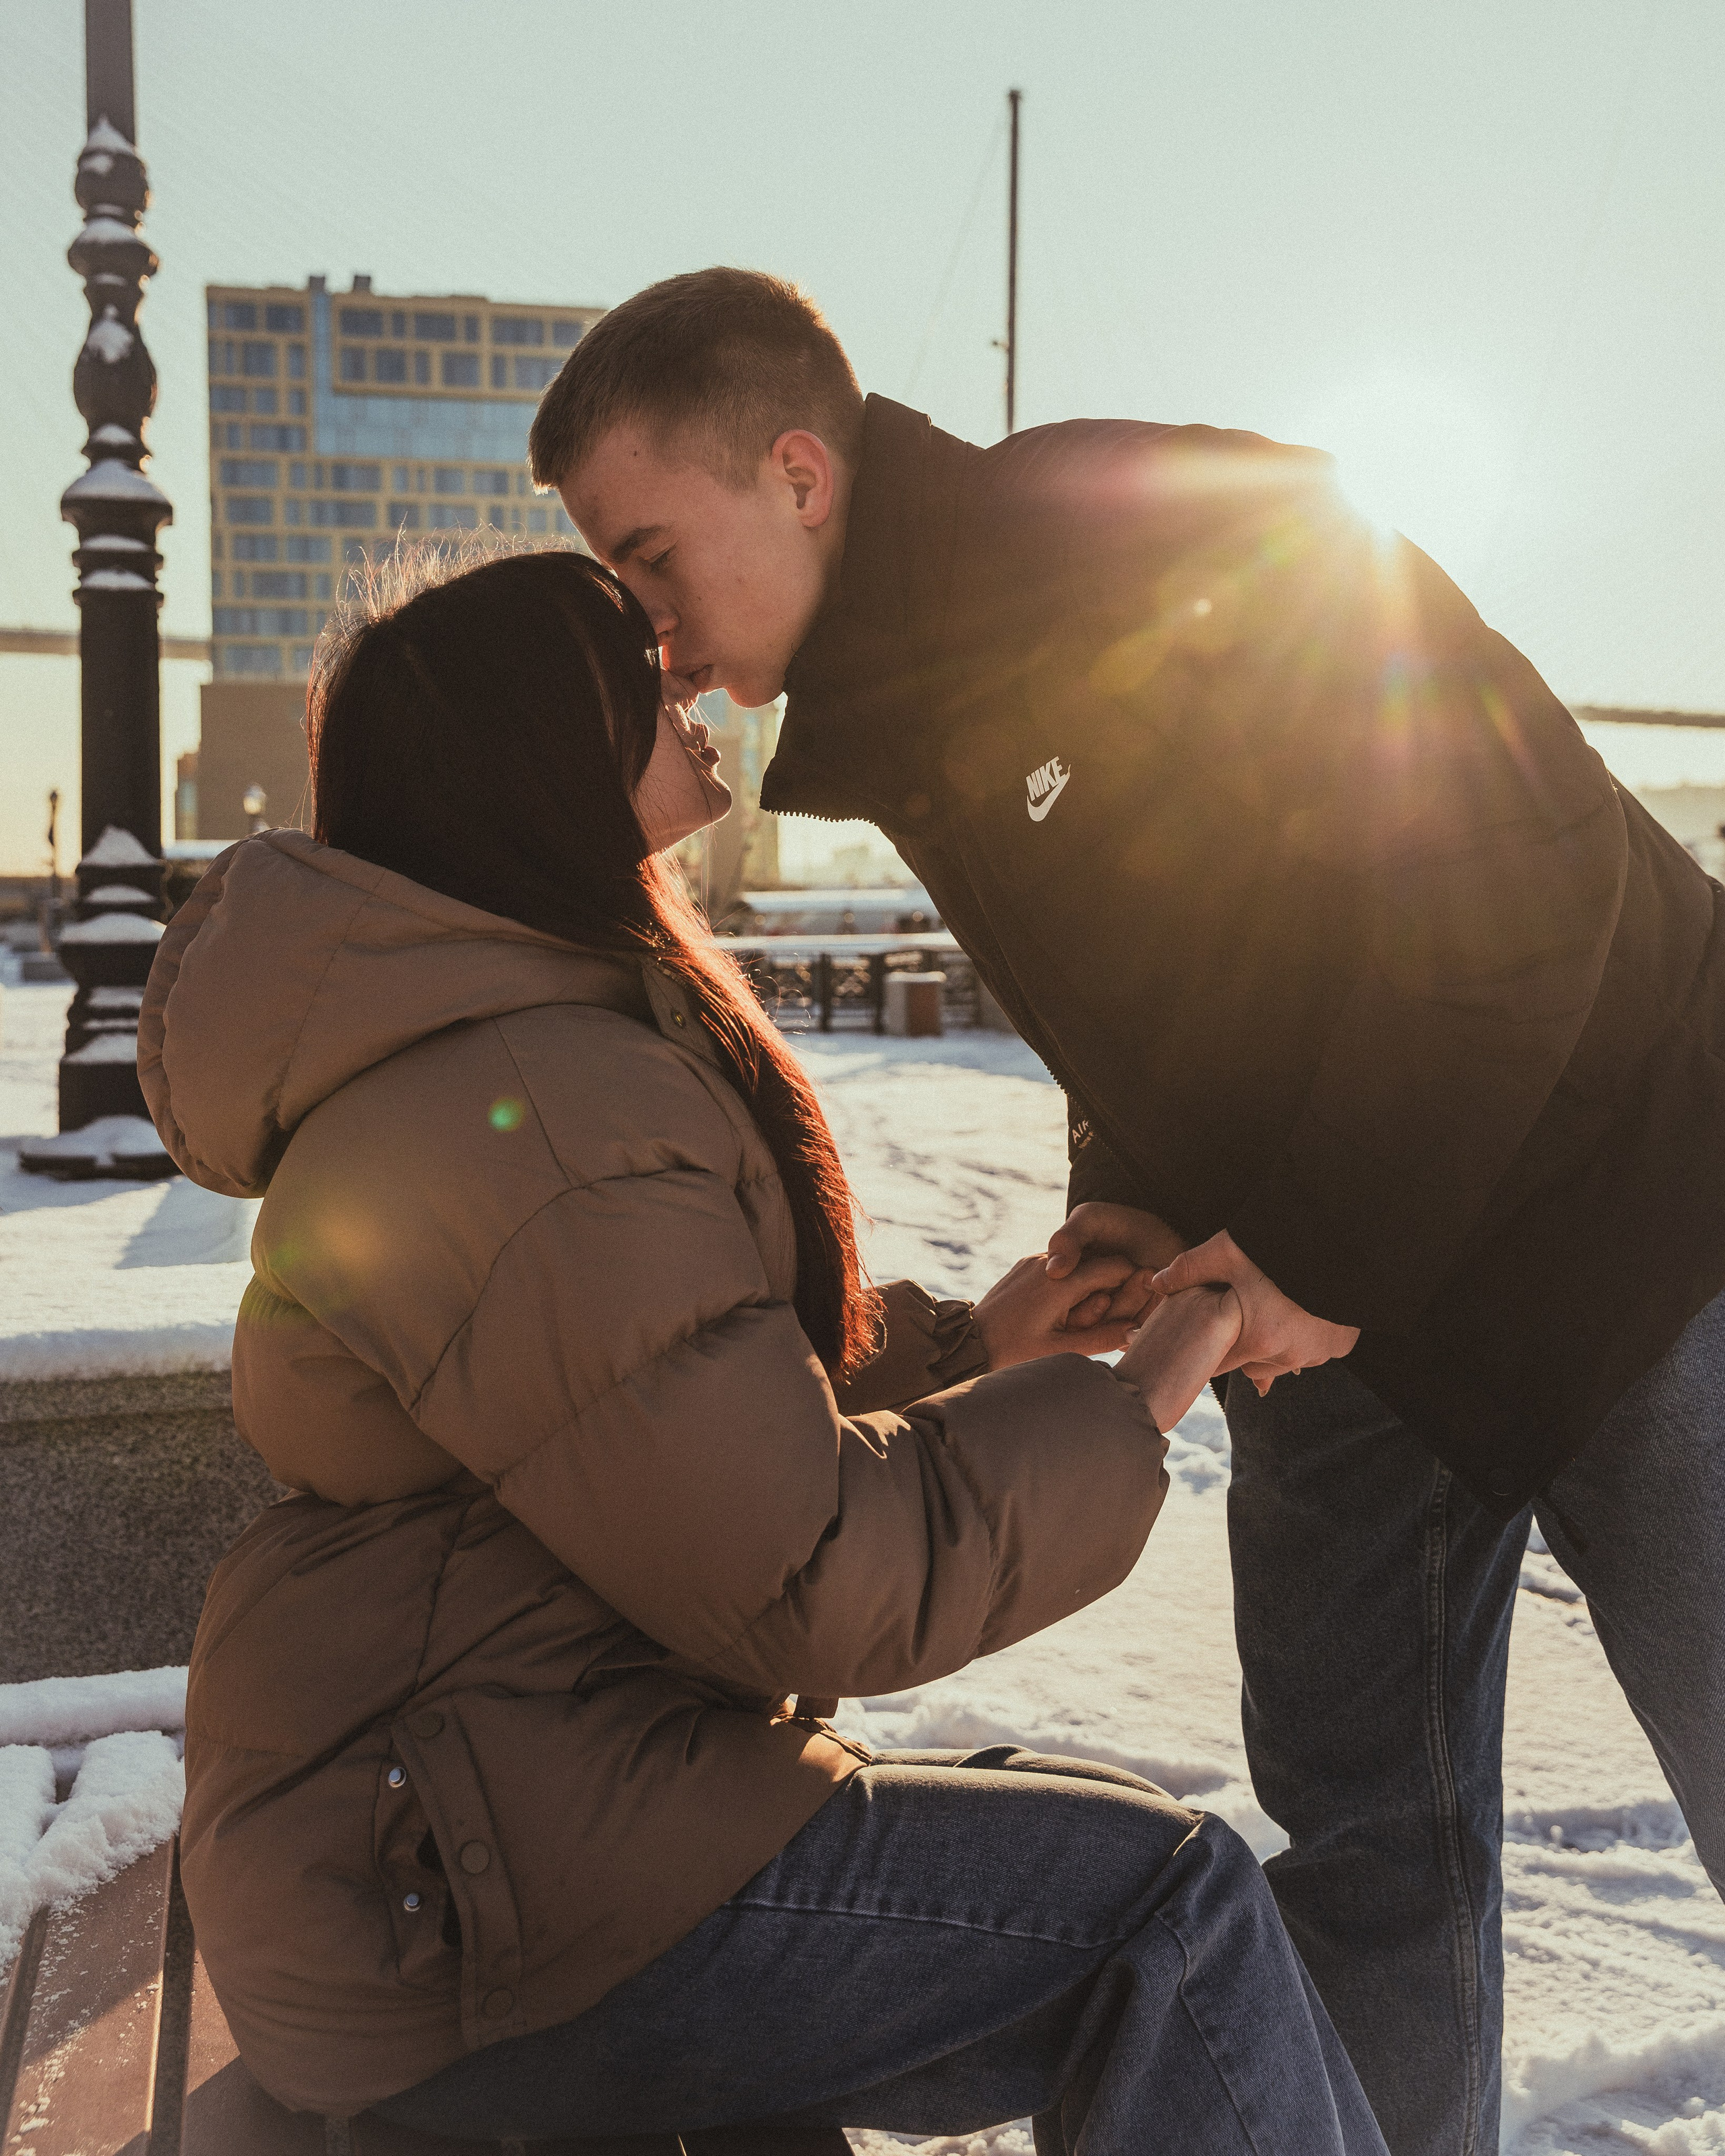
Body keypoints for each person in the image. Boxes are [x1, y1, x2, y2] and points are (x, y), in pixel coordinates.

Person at [530, 268, 1725, 2156]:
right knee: (1365, 1850)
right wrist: (1135, 1198)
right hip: (1309, 1308)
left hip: (1629, 1235)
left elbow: (1524, 876)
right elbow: (1177, 980)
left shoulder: (1148, 535)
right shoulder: (906, 702)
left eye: (646, 555)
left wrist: (1320, 1246)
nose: (643, 625)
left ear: (796, 474)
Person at [139, 547, 1386, 2152]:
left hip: (455, 1820)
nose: (688, 679)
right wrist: (1155, 1379)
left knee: (1120, 1846)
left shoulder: (501, 1051)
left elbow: (653, 1432)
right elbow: (806, 1569)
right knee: (1170, 1907)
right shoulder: (534, 1109)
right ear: (537, 753)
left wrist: (981, 1338)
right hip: (462, 1907)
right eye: (636, 671)